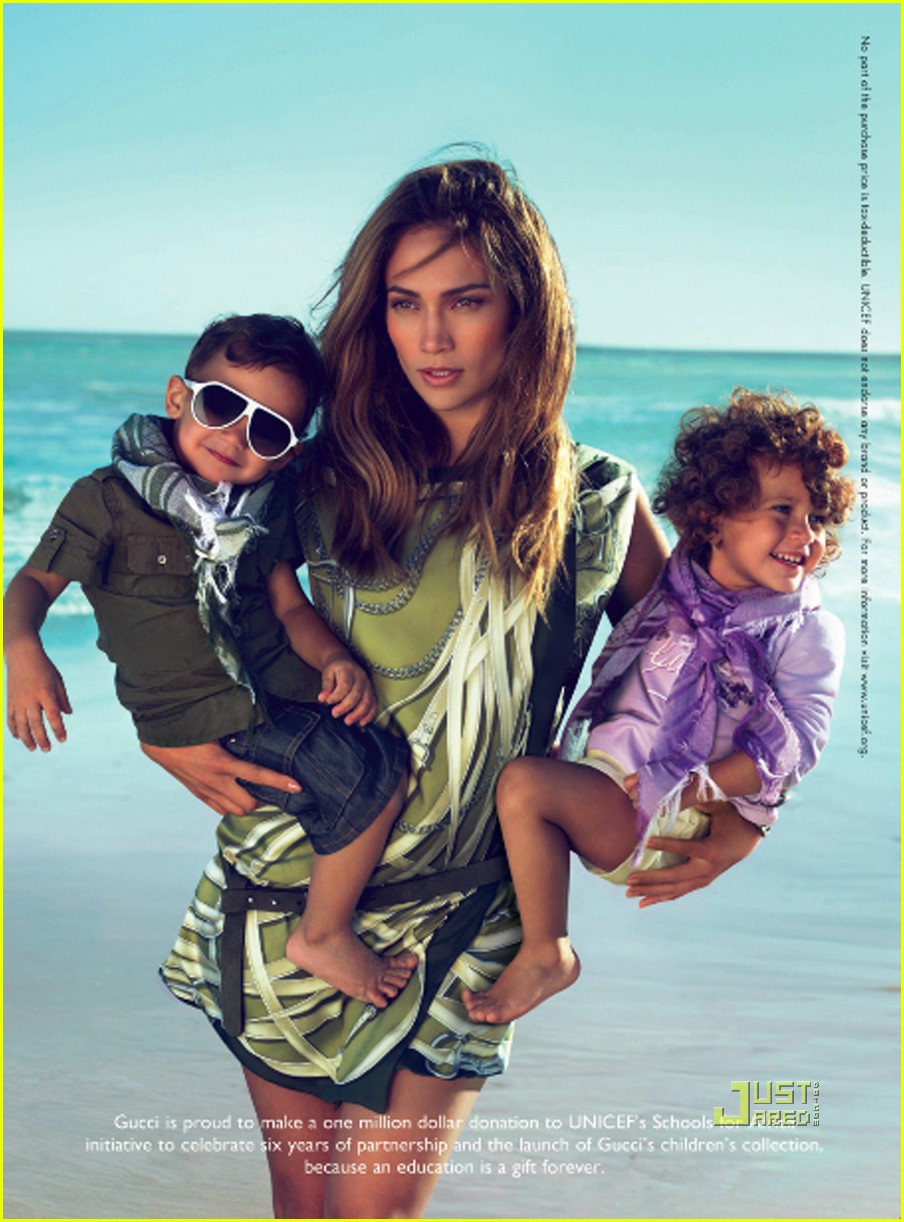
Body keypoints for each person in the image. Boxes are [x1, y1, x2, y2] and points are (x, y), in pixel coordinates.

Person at [143, 159, 764, 1220]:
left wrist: (747, 812)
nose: (431, 337)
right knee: (303, 1198)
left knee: (377, 1210)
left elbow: (720, 677)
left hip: (472, 907)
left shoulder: (595, 503)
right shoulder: (314, 479)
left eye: (465, 301)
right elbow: (155, 577)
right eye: (404, 303)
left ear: (523, 313)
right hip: (290, 888)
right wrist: (163, 731)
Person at [3, 313, 413, 1007]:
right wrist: (22, 650)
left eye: (268, 431)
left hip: (276, 688)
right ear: (178, 397)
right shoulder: (106, 500)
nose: (235, 436)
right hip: (198, 710)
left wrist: (334, 660)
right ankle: (321, 934)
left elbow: (289, 607)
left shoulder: (263, 509)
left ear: (285, 453)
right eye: (222, 405)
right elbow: (32, 585)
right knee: (369, 780)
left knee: (376, 749)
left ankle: (291, 903)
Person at [461, 389, 856, 1026]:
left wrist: (701, 786)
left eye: (816, 518)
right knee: (509, 769)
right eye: (782, 510)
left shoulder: (803, 628)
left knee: (525, 785)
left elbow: (799, 744)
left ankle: (548, 950)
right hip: (610, 779)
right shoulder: (679, 585)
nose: (803, 534)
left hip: (671, 815)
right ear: (713, 517)